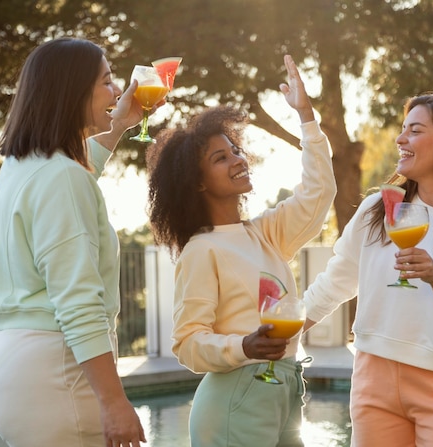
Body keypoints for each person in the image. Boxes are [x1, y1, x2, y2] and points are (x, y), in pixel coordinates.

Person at [302, 91, 433, 446]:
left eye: (415, 131)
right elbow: (333, 284)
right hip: (374, 380)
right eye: (403, 129)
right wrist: (282, 334)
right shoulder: (377, 210)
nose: (401, 139)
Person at [146, 54, 336, 446]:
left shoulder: (265, 233)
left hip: (284, 392)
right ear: (196, 183)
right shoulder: (202, 250)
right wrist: (243, 346)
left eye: (234, 149)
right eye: (221, 157)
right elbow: (187, 343)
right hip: (235, 401)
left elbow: (320, 193)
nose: (237, 158)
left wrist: (306, 117)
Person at [0, 37, 151, 447]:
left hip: (11, 365)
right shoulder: (62, 178)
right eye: (108, 82)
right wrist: (114, 402)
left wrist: (120, 124)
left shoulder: (24, 164)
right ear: (73, 90)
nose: (116, 92)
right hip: (57, 376)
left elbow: (74, 175)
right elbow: (77, 301)